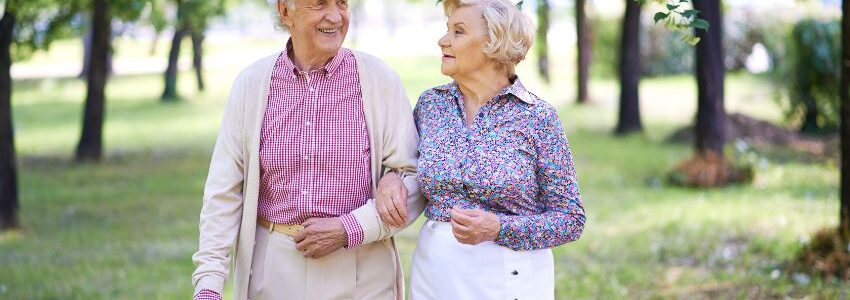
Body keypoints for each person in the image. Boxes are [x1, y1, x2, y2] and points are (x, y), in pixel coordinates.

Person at [191, 0, 423, 299]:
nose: (335, 16)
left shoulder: (379, 80)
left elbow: (414, 178)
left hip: (362, 270)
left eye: (342, 3)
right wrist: (209, 282)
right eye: (319, 3)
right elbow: (224, 191)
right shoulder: (252, 84)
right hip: (274, 269)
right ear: (285, 11)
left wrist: (348, 228)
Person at [376, 1, 586, 299]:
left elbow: (570, 219)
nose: (443, 40)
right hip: (435, 276)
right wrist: (389, 178)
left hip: (510, 279)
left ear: (494, 43)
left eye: (458, 32)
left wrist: (498, 227)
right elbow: (403, 166)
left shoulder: (537, 117)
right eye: (447, 29)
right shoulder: (431, 105)